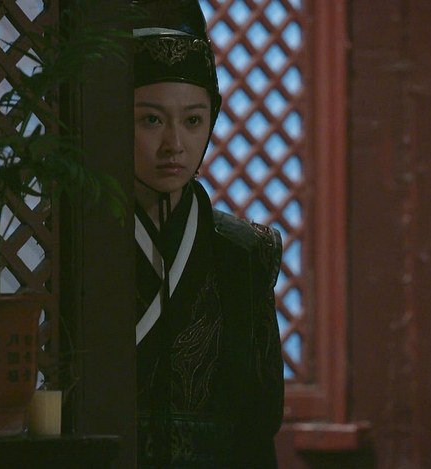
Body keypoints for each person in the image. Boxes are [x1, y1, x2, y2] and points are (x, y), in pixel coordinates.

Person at [131, 1, 284, 466]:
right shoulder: (81, 245)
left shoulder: (245, 251)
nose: (175, 145)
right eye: (151, 119)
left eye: (193, 120)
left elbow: (259, 422)